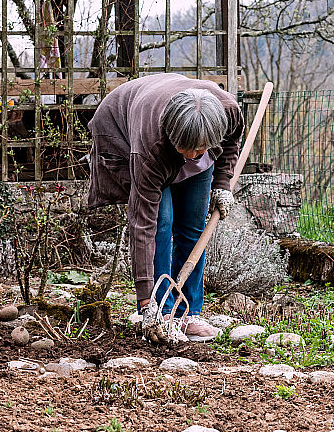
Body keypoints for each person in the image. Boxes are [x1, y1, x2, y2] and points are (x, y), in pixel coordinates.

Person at [86, 73, 243, 342]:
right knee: (162, 222)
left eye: (200, 150)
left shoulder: (227, 112)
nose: (192, 157)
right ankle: (159, 311)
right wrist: (145, 299)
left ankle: (188, 313)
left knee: (193, 225)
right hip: (123, 128)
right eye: (186, 150)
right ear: (174, 138)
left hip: (183, 127)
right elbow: (142, 224)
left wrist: (222, 183)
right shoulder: (150, 148)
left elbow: (230, 144)